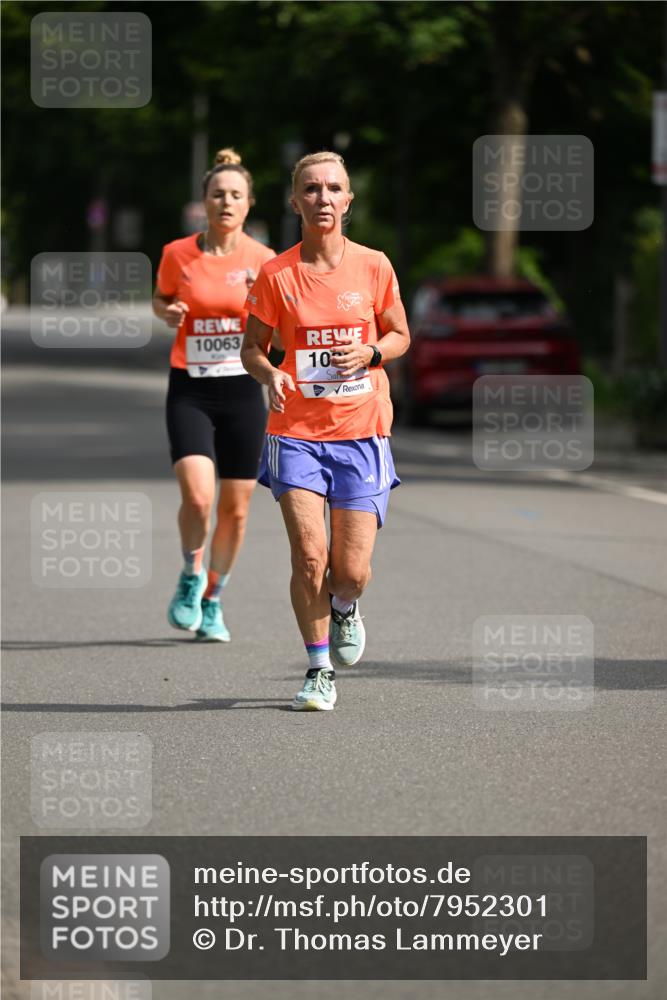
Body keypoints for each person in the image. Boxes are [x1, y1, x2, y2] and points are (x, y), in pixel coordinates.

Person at [241, 150, 410, 710]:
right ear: (295, 201)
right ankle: (318, 669)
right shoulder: (276, 274)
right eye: (311, 190)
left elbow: (400, 335)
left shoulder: (374, 265)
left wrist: (370, 352)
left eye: (333, 189)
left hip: (362, 432)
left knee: (351, 572)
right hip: (294, 432)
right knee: (310, 556)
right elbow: (252, 350)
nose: (323, 199)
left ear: (348, 199)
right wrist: (270, 375)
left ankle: (346, 607)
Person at [153, 148, 275, 641]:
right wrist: (168, 314)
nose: (227, 202)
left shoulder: (265, 262)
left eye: (236, 196)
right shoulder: (177, 254)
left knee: (237, 509)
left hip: (244, 391)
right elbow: (162, 299)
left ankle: (214, 599)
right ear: (203, 202)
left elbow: (281, 334)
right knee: (200, 499)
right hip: (191, 389)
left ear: (248, 205)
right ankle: (190, 573)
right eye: (218, 194)